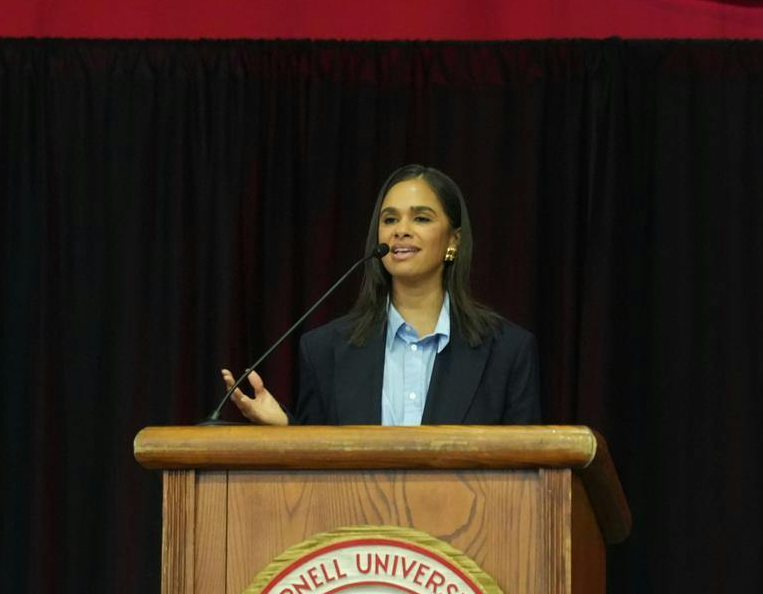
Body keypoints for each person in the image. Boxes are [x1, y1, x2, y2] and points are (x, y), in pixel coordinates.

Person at [220, 164, 541, 425]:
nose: (401, 229)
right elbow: (317, 474)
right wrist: (285, 429)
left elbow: (526, 477)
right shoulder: (325, 350)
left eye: (421, 218)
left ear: (453, 241)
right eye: (390, 219)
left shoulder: (507, 352)